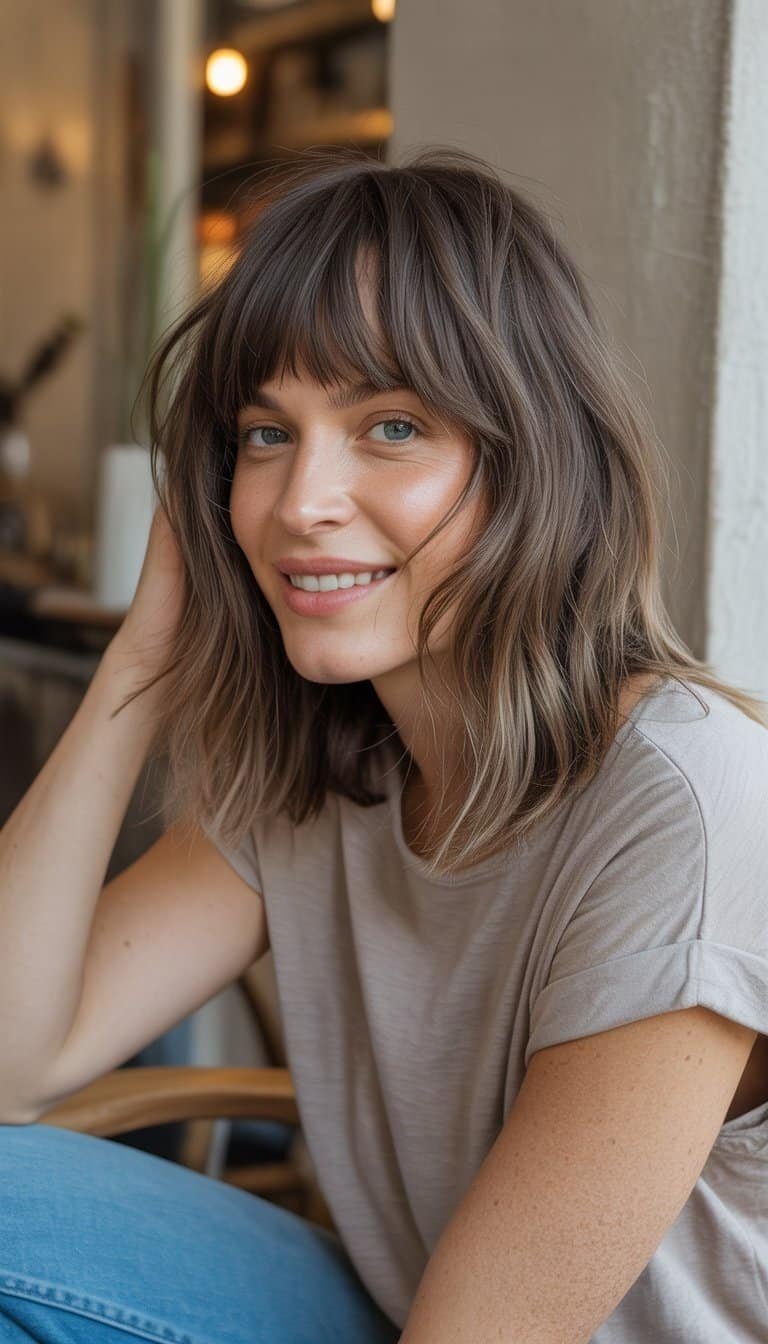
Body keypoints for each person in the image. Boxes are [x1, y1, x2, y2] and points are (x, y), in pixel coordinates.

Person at [0, 145, 767, 1344]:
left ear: (534, 466)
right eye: (264, 434)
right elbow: (14, 1060)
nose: (303, 499)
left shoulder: (683, 799)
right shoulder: (330, 770)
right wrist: (141, 663)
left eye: (391, 426)